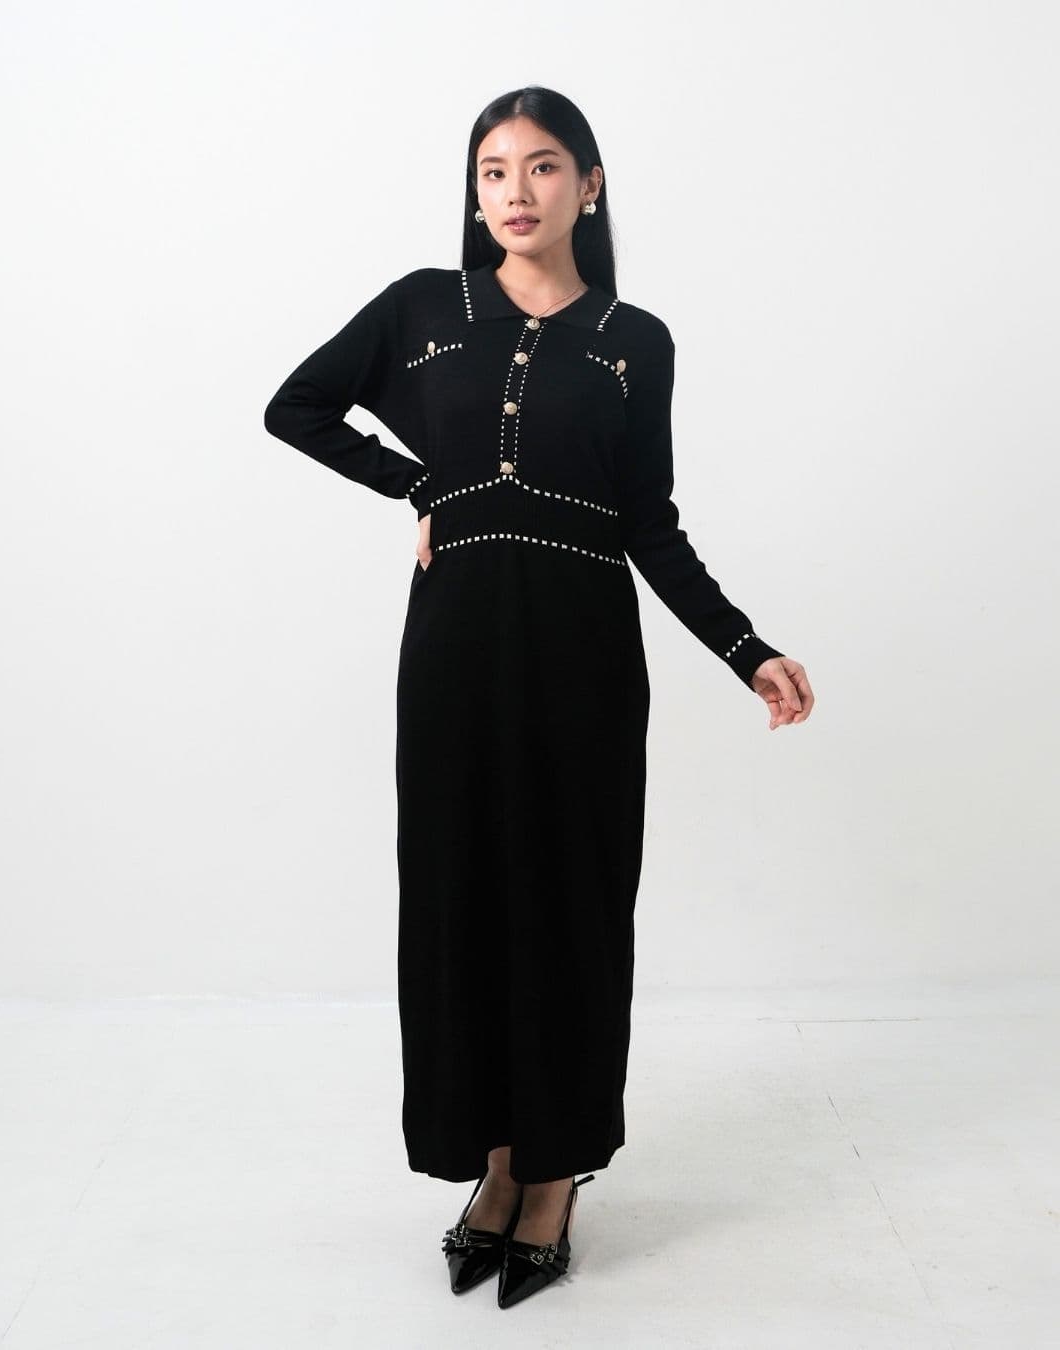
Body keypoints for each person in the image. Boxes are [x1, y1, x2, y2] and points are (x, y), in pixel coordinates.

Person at [263, 84, 814, 1310]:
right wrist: (418, 487)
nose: (516, 191)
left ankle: (554, 1172)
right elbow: (293, 407)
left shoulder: (634, 339)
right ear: (475, 193)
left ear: (589, 186)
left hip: (581, 656)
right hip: (454, 651)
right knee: (460, 896)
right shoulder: (423, 309)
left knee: (569, 900)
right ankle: (495, 1161)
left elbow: (649, 524)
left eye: (544, 165)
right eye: (494, 171)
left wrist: (747, 649)